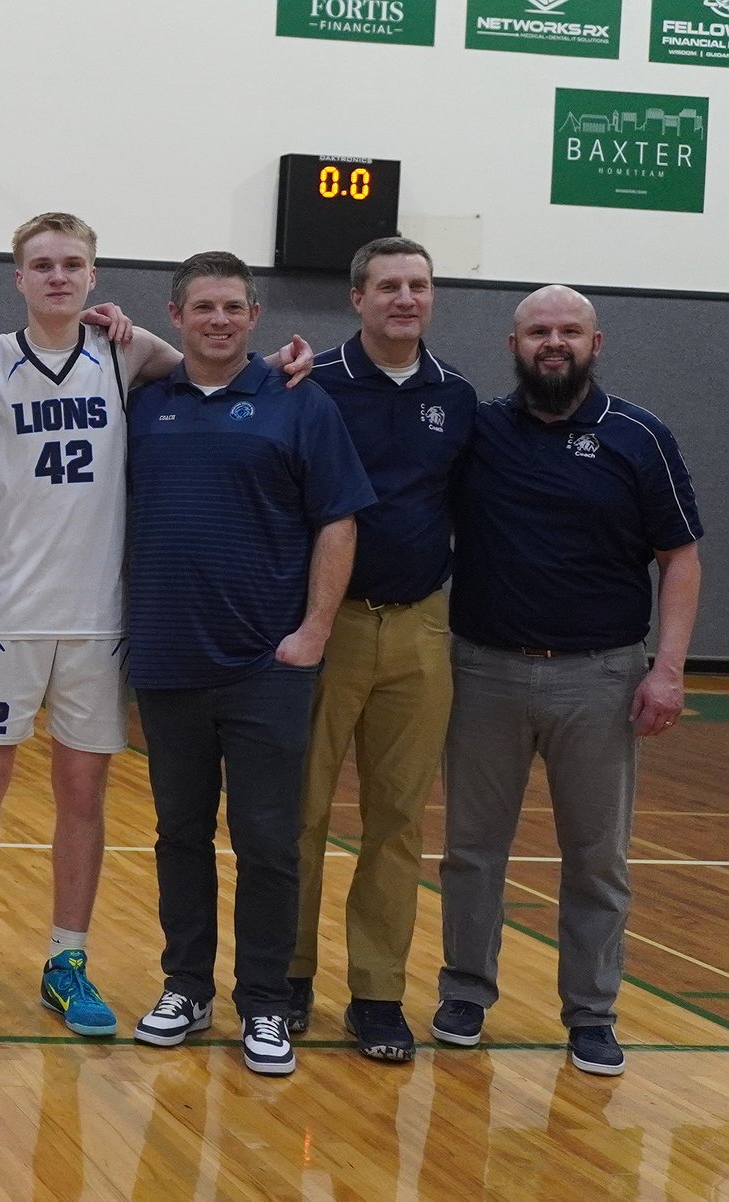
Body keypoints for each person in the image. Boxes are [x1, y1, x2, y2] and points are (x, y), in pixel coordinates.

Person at [0, 213, 291, 1037]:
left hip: (98, 616)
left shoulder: (127, 353)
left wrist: (285, 364)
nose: (58, 277)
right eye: (41, 265)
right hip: (3, 611)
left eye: (72, 264)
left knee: (81, 795)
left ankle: (67, 960)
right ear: (18, 278)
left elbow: (219, 370)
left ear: (93, 276)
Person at [433, 285, 702, 1078]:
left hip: (600, 679)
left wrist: (667, 668)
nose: (553, 343)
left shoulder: (638, 437)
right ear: (513, 345)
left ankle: (591, 1014)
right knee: (470, 851)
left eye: (569, 331)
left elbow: (679, 557)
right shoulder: (477, 430)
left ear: (595, 343)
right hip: (482, 670)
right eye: (537, 331)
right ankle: (464, 994)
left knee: (596, 859)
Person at [125, 251, 373, 1077]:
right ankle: (185, 988)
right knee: (179, 835)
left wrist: (313, 632)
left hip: (266, 666)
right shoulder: (144, 403)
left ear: (254, 317)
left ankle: (264, 1003)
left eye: (232, 306)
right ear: (175, 315)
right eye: (203, 307)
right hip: (167, 661)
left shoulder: (297, 400)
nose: (218, 320)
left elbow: (337, 520)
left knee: (267, 841)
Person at [289, 237, 477, 1063]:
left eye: (418, 285)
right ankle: (286, 979)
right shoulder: (312, 383)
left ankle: (375, 994)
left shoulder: (457, 397)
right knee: (297, 813)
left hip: (419, 628)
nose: (405, 298)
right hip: (323, 625)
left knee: (397, 820)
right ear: (356, 298)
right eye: (389, 286)